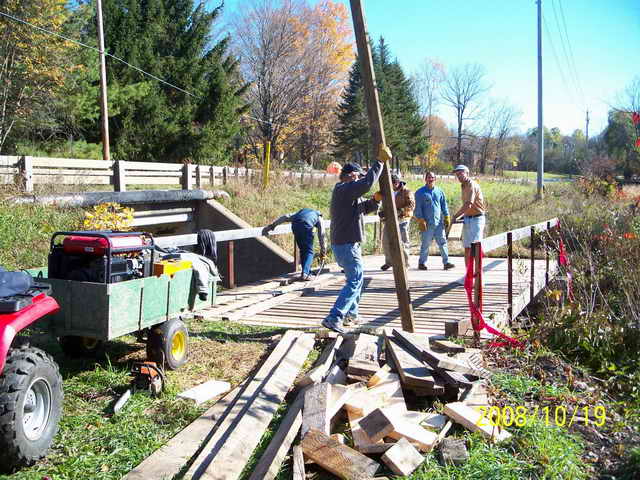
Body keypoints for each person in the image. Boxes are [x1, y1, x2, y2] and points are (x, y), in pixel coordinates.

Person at [322, 144, 390, 333]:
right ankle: (334, 317)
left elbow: (363, 208)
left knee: (355, 279)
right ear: (349, 175)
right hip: (346, 244)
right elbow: (366, 183)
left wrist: (375, 201)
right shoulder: (344, 189)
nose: (359, 178)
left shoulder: (347, 194)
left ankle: (351, 315)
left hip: (346, 244)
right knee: (355, 280)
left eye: (360, 176)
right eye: (357, 175)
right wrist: (380, 162)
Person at [262, 208, 326, 281]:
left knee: (303, 250)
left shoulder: (301, 212)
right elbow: (322, 235)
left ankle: (306, 271)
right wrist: (323, 250)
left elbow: (285, 217)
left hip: (295, 226)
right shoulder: (319, 217)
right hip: (306, 226)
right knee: (309, 252)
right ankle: (305, 273)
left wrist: (272, 226)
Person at [414, 171, 455, 271]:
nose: (430, 179)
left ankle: (446, 262)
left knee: (442, 242)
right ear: (425, 179)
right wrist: (420, 220)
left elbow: (444, 205)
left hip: (438, 223)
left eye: (432, 178)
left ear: (435, 179)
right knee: (425, 244)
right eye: (428, 177)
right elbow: (417, 208)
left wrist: (446, 216)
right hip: (426, 224)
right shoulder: (420, 193)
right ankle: (422, 263)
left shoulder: (439, 191)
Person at [375, 174, 414, 270]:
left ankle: (406, 263)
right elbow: (383, 205)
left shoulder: (406, 191)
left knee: (403, 243)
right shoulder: (387, 191)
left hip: (402, 220)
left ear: (396, 183)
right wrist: (382, 212)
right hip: (389, 220)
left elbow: (411, 206)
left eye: (390, 184)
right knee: (385, 241)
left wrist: (399, 211)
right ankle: (389, 262)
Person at [451, 164, 486, 267]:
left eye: (461, 173)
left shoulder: (471, 184)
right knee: (467, 248)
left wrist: (455, 216)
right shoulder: (463, 185)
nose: (459, 176)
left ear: (467, 173)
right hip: (467, 218)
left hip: (477, 219)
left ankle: (478, 277)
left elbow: (468, 204)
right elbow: (466, 206)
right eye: (457, 175)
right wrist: (461, 216)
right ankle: (468, 276)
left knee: (476, 248)